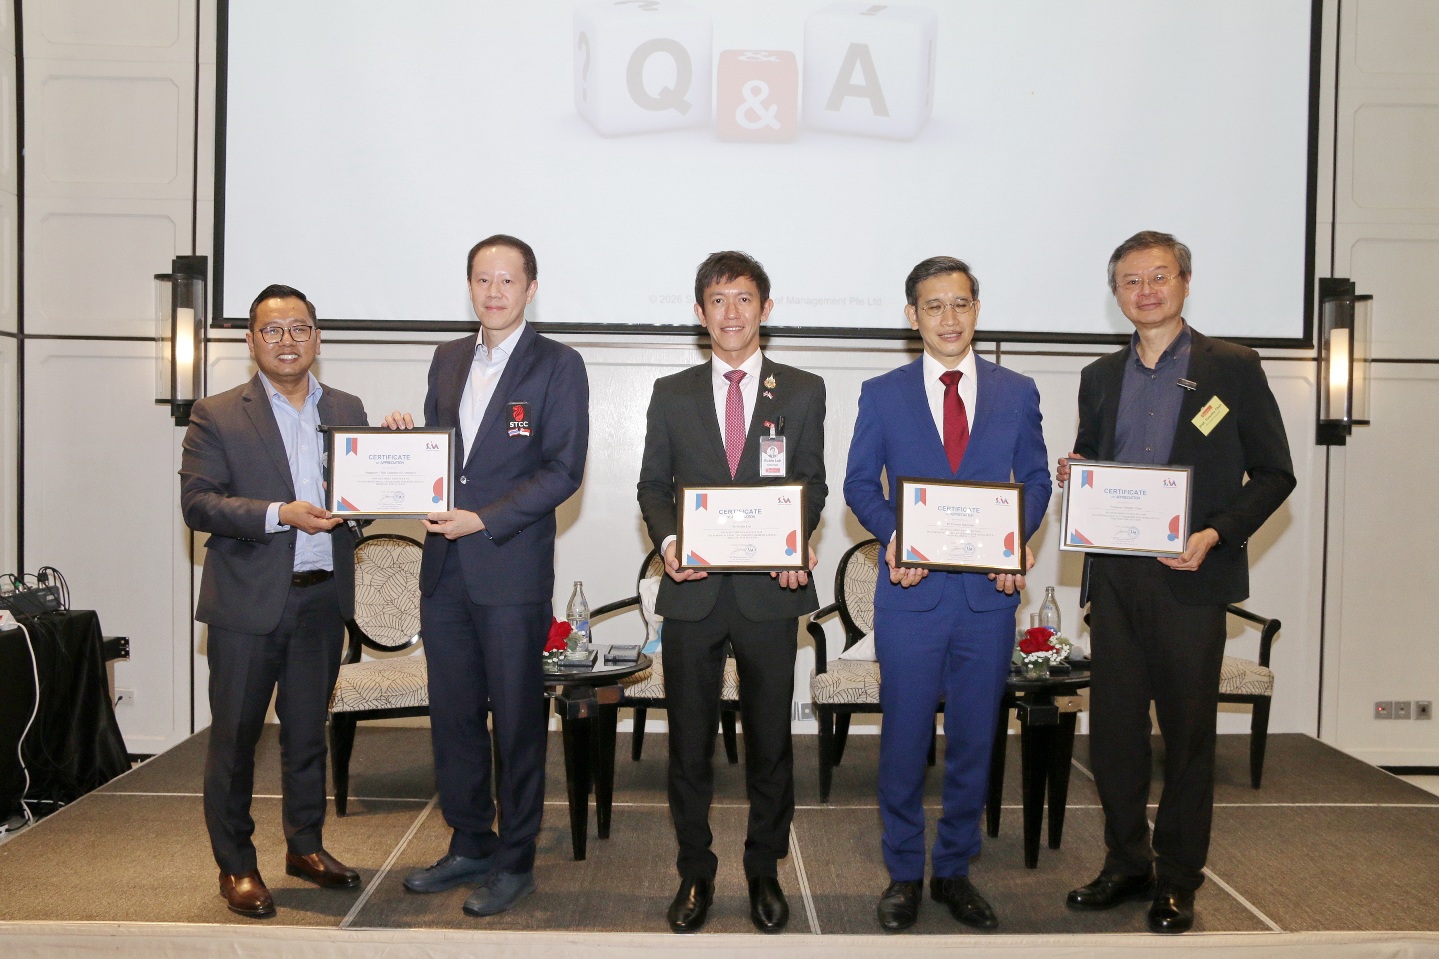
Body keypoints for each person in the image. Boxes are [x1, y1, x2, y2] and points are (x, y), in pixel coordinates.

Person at [1058, 231, 1294, 934]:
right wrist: (1076, 472)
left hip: (1190, 579)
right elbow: (1096, 459)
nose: (1146, 291)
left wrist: (1214, 533)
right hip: (1115, 582)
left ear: (1184, 283)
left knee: (1187, 737)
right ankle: (1126, 861)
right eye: (1131, 281)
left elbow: (1274, 473)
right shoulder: (1100, 375)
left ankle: (1178, 877)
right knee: (1114, 736)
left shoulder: (1234, 367)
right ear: (1116, 294)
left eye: (1158, 276)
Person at [844, 256, 1050, 932]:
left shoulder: (1017, 391)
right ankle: (904, 871)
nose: (949, 317)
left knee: (974, 741)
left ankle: (955, 869)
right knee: (903, 741)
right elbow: (858, 484)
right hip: (911, 597)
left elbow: (1037, 479)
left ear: (976, 310)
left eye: (960, 303)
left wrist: (1016, 538)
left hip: (988, 599)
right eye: (933, 306)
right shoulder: (882, 393)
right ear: (913, 316)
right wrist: (894, 536)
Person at [386, 235, 589, 917]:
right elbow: (442, 460)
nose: (494, 291)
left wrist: (484, 518)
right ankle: (470, 841)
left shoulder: (558, 364)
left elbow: (563, 470)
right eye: (482, 279)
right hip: (444, 569)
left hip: (509, 568)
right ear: (469, 286)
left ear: (531, 288)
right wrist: (404, 444)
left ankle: (515, 858)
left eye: (507, 280)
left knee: (517, 722)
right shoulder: (447, 357)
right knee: (454, 719)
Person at [637, 251, 826, 934]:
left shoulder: (801, 390)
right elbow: (652, 487)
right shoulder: (672, 392)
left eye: (744, 298)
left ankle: (763, 868)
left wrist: (796, 539)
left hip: (769, 594)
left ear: (765, 308)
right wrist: (668, 543)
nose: (731, 312)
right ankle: (695, 869)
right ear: (700, 312)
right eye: (717, 300)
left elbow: (811, 482)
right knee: (689, 745)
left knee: (770, 741)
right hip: (692, 592)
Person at [180, 284, 367, 918]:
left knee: (307, 735)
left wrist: (388, 474)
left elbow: (361, 499)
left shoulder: (346, 407)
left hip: (322, 601)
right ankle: (236, 865)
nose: (288, 341)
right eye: (273, 330)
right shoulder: (217, 413)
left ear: (318, 337)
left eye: (300, 328)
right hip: (248, 605)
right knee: (235, 740)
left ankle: (305, 847)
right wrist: (278, 514)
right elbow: (198, 503)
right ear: (252, 341)